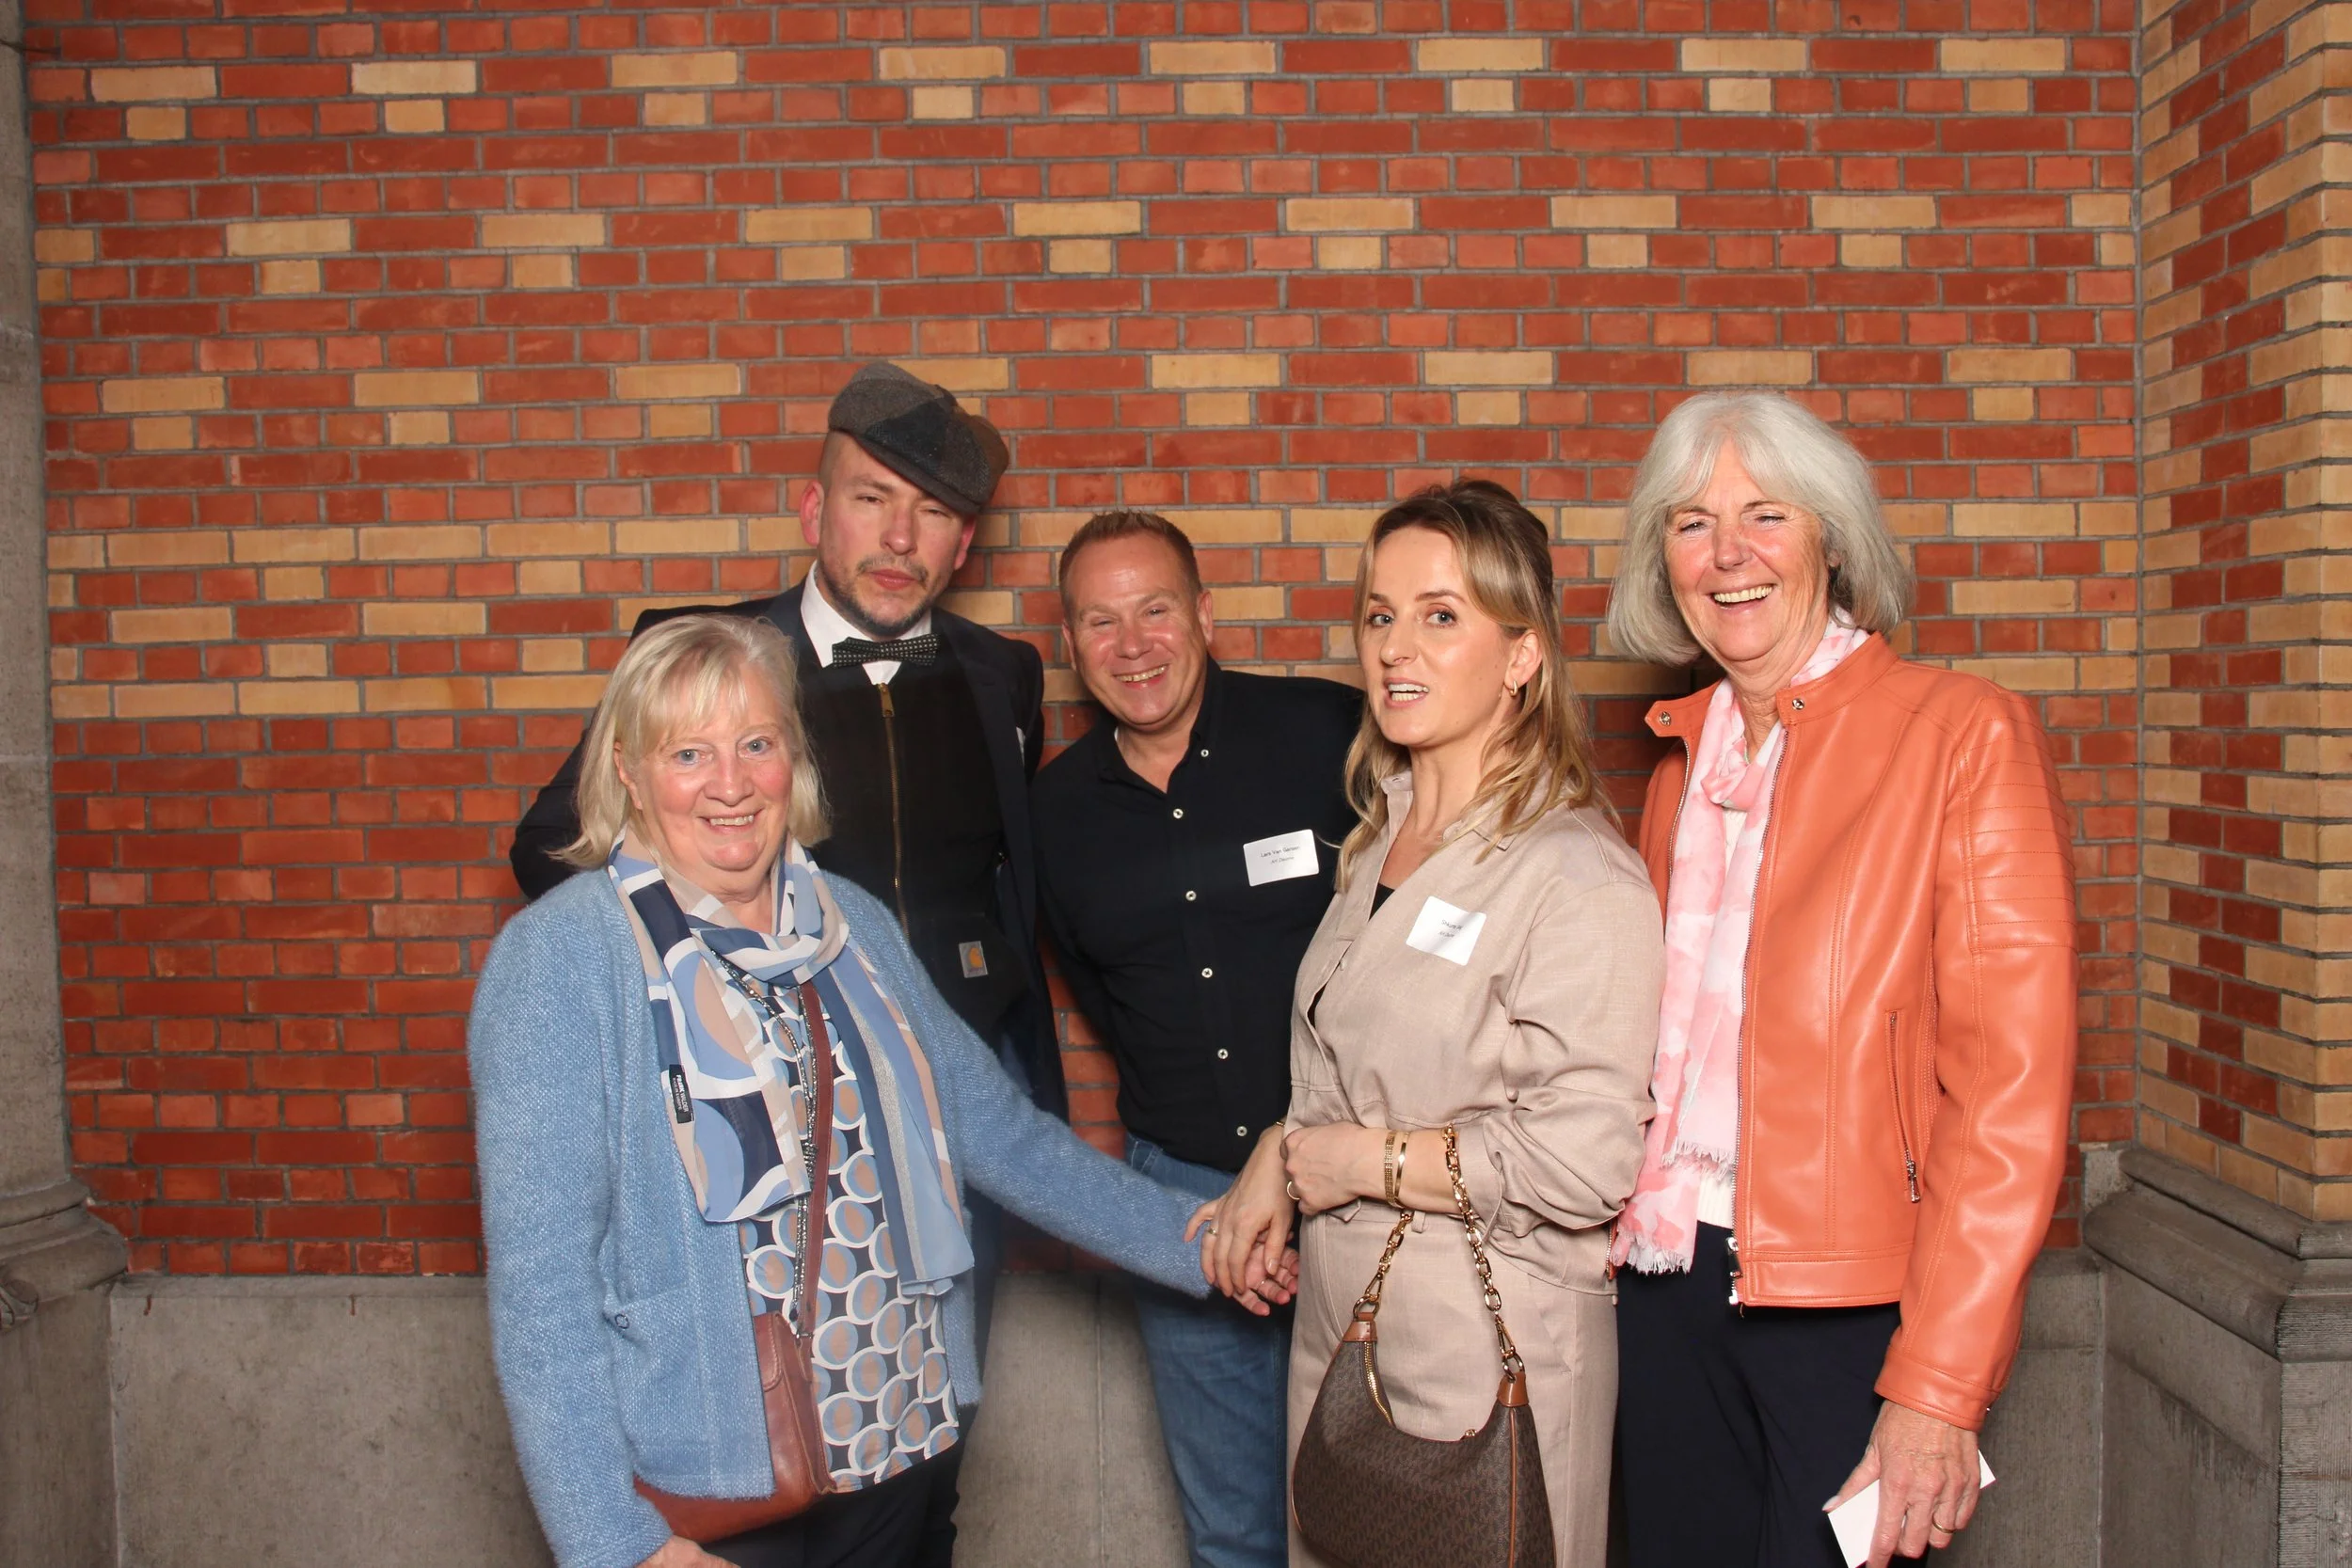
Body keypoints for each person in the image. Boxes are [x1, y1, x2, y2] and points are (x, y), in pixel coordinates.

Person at [469, 612, 1216, 1568]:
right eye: (688, 752)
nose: (731, 783)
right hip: (712, 1487)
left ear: (794, 754)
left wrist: (1200, 1241)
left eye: (756, 742)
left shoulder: (848, 924)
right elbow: (542, 1292)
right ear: (627, 769)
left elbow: (999, 1134)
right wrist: (614, 1543)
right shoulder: (563, 959)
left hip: (892, 1433)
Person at [1604, 391, 2077, 1568]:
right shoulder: (1682, 761)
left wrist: (1938, 1384)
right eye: (1690, 523)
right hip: (1665, 1281)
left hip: (1852, 1311)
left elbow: (2008, 1098)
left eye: (1765, 514)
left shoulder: (1958, 735)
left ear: (1832, 539)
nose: (1728, 553)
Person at [1205, 481, 1662, 1568]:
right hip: (1343, 1337)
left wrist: (1349, 1159)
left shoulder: (1575, 873)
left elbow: (1584, 1159)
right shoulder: (1377, 841)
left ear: (1522, 653)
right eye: (1379, 614)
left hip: (1485, 1355)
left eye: (1440, 614)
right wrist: (1283, 1148)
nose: (1394, 647)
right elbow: (1357, 1064)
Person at [508, 360, 1060, 1121]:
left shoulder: (1005, 674)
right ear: (814, 511)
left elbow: (1005, 885)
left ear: (962, 542)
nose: (900, 537)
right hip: (774, 1089)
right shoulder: (706, 655)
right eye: (872, 498)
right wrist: (702, 969)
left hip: (973, 1084)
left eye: (933, 512)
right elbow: (551, 846)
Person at [1030, 510, 1360, 1568]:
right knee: (1229, 1531)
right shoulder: (1052, 813)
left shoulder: (1329, 735)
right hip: (1183, 1208)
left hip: (1354, 1191)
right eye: (1101, 621)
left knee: (1376, 1515)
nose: (1132, 645)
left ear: (1205, 615)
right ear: (1070, 643)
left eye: (1156, 610)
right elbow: (1103, 988)